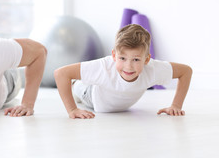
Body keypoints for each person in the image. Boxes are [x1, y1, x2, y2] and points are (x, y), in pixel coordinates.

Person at [54, 24, 192, 119]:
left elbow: (186, 71)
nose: (128, 66)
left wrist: (176, 105)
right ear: (114, 56)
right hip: (91, 95)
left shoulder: (153, 69)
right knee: (80, 87)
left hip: (114, 97)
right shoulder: (104, 67)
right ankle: (76, 85)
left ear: (146, 59)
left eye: (136, 60)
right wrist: (72, 110)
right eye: (122, 58)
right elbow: (61, 74)